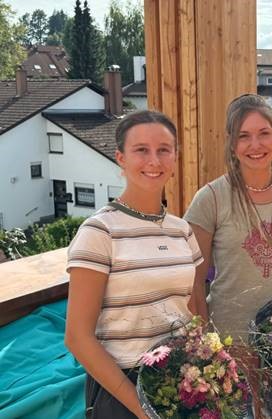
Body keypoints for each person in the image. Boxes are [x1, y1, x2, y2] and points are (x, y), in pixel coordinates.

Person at [184, 93, 272, 417]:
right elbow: (195, 279)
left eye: (263, 133)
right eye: (243, 136)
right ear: (232, 145)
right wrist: (204, 344)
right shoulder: (211, 200)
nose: (254, 144)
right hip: (230, 341)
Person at [65, 110, 203, 418]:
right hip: (122, 389)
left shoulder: (182, 230)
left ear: (175, 157)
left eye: (163, 150)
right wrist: (143, 410)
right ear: (120, 158)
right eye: (141, 150)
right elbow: (77, 337)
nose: (154, 160)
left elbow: (187, 311)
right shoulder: (99, 232)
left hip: (180, 383)